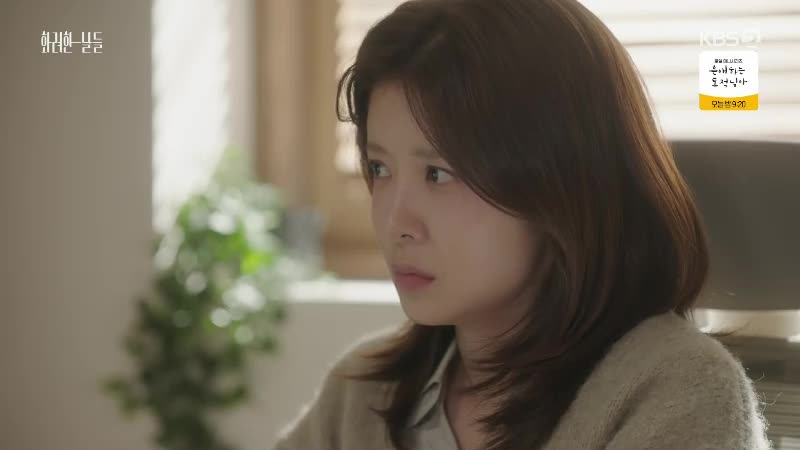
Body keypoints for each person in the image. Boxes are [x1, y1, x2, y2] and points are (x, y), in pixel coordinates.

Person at [271, 0, 773, 449]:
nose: (395, 222)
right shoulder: (362, 393)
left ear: (562, 184)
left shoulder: (677, 391)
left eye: (438, 174)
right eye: (380, 168)